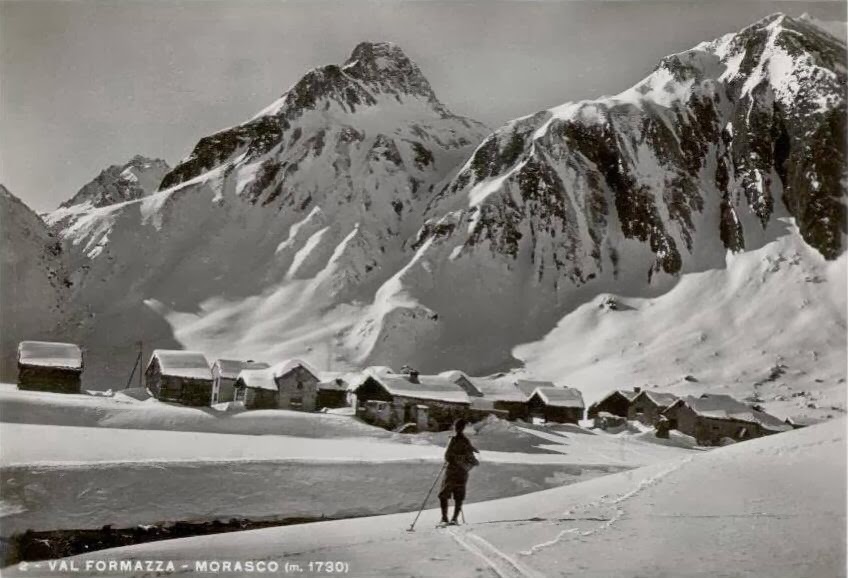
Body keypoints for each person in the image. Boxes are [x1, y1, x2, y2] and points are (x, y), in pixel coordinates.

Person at [438, 418, 480, 525]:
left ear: (456, 428)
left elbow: (447, 456)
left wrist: (455, 459)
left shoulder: (454, 440)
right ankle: (454, 519)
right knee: (459, 496)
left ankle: (444, 518)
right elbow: (473, 460)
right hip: (462, 473)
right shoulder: (466, 442)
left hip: (452, 472)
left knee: (444, 495)